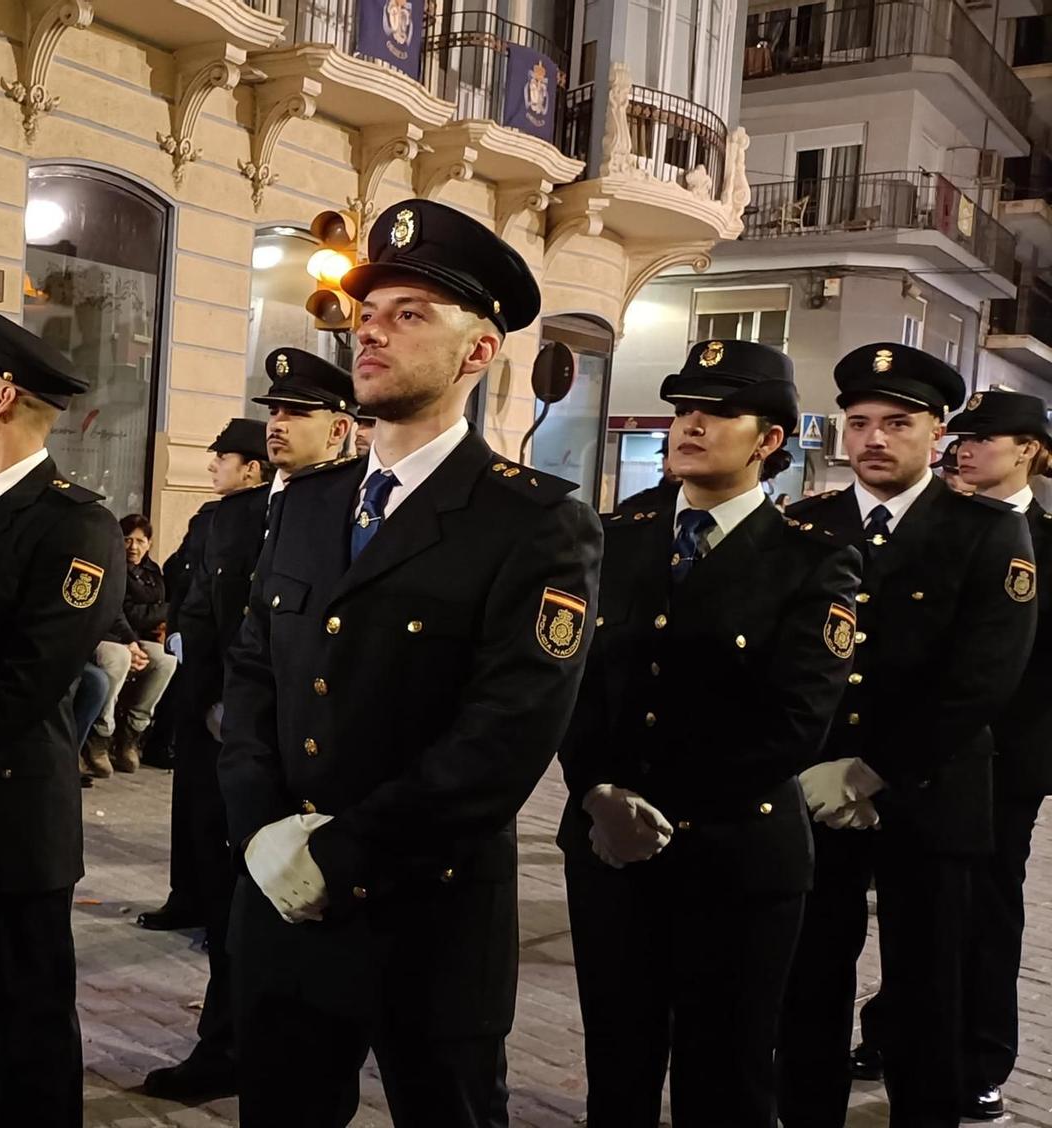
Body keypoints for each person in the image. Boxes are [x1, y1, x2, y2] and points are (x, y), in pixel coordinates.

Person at [217, 198, 602, 1127]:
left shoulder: (535, 523)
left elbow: (504, 738)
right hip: (281, 899)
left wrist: (340, 856)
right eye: (367, 314)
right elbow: (253, 677)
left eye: (409, 314)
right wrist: (264, 833)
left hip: (429, 918)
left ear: (478, 353)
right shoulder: (310, 504)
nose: (372, 334)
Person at [558, 339, 859, 1127]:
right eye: (684, 407)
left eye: (719, 411)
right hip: (608, 851)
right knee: (616, 1068)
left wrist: (658, 808)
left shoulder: (811, 563)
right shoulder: (614, 540)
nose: (690, 424)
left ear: (769, 441)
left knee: (723, 1076)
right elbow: (567, 684)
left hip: (737, 858)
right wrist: (597, 792)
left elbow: (795, 722)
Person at [775, 344, 1036, 1128]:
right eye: (859, 423)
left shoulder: (985, 531)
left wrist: (874, 770)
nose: (875, 439)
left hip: (931, 793)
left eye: (898, 423)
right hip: (817, 796)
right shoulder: (805, 526)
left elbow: (983, 677)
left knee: (928, 987)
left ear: (938, 432)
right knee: (808, 980)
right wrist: (811, 769)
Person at [0, 302, 120, 1126]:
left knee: (28, 1027)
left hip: (9, 818)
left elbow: (30, 682)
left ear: (2, 396)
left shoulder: (76, 521)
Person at [141, 354, 356, 1103]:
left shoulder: (359, 510)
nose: (278, 425)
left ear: (341, 427)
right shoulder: (230, 516)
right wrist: (204, 708)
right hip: (222, 736)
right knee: (229, 899)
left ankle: (276, 1049)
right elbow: (203, 611)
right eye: (274, 412)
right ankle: (226, 1043)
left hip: (299, 747)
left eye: (296, 414)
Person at [940, 389, 1052, 1120]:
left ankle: (983, 1056)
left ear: (1030, 451)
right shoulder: (934, 528)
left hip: (1007, 762)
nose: (966, 447)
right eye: (963, 435)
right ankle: (897, 1031)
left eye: (986, 436)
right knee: (925, 907)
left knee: (989, 908)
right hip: (924, 756)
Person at [138, 418, 268, 932]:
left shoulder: (265, 517)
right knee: (189, 793)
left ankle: (220, 907)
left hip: (227, 679)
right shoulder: (209, 517)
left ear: (251, 468)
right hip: (193, 675)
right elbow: (179, 576)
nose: (213, 464)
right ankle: (186, 893)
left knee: (223, 801)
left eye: (224, 457)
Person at [93, 513, 175, 773]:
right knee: (119, 658)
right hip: (111, 636)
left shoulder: (153, 572)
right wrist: (163, 611)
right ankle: (101, 735)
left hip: (138, 638)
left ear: (149, 543)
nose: (133, 547)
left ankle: (132, 731)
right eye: (127, 539)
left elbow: (153, 610)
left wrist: (157, 620)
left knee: (165, 660)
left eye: (140, 541)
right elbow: (124, 613)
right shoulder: (112, 566)